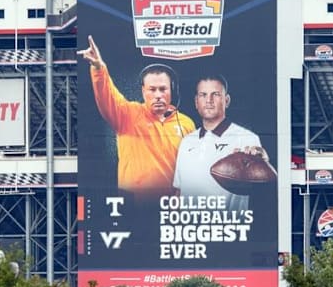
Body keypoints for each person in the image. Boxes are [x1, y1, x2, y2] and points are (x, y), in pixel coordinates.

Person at [78, 35, 195, 198]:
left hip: (172, 212)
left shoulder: (186, 123)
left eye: (163, 89)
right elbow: (108, 97)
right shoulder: (128, 114)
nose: (158, 95)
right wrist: (99, 68)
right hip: (133, 209)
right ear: (143, 92)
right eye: (152, 90)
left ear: (172, 91)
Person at [173, 74, 271, 211]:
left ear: (227, 100)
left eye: (216, 94)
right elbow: (179, 191)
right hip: (189, 230)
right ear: (196, 102)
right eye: (203, 95)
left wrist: (261, 161)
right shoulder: (186, 142)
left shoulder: (246, 138)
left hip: (227, 229)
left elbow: (262, 181)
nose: (209, 100)